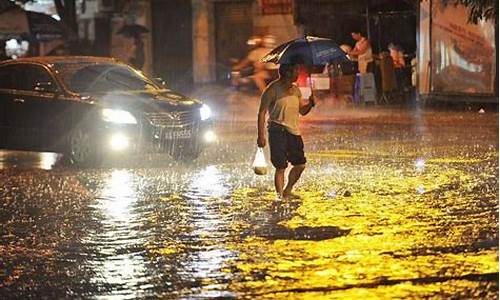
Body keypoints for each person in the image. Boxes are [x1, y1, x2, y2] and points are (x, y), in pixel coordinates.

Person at [257, 64, 315, 199]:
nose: (298, 73)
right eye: (296, 70)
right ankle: (280, 196)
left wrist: (311, 104)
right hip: (277, 131)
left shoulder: (296, 90)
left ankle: (288, 189)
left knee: (300, 165)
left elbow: (302, 111)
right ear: (287, 72)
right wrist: (261, 136)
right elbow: (261, 113)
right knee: (280, 166)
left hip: (294, 132)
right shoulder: (272, 89)